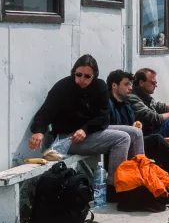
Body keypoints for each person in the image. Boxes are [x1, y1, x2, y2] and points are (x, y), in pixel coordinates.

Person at [29, 55, 144, 186]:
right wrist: (39, 131)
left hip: (88, 132)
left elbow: (103, 117)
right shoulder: (63, 87)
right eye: (78, 75)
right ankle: (116, 186)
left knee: (136, 132)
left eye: (87, 76)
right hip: (68, 138)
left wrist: (85, 129)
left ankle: (141, 178)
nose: (82, 79)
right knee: (122, 138)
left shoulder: (99, 87)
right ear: (74, 73)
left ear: (94, 76)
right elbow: (45, 112)